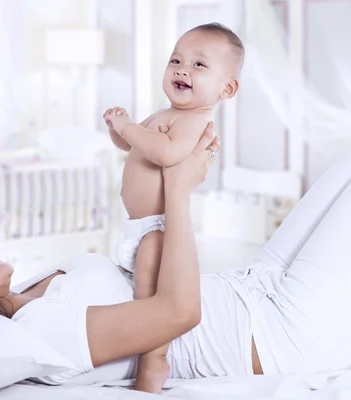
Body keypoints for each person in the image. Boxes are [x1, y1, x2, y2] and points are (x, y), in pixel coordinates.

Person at [0, 135, 351, 393]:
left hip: (255, 290)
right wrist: (179, 194)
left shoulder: (35, 290)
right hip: (285, 333)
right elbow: (178, 311)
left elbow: (146, 275)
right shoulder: (40, 335)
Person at [102, 22, 242, 392]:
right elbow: (133, 147)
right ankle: (139, 343)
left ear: (226, 88)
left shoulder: (195, 121)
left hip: (158, 227)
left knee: (150, 290)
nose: (182, 69)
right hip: (136, 224)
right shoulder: (161, 114)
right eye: (176, 60)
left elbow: (166, 153)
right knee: (136, 287)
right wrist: (119, 131)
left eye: (199, 65)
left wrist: (129, 125)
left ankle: (155, 361)